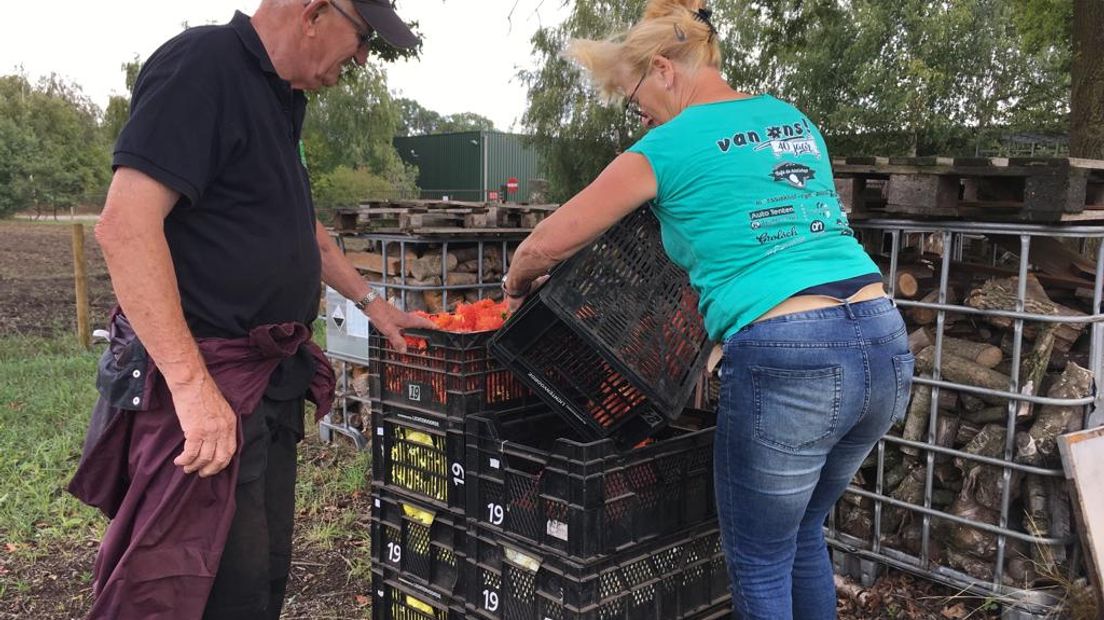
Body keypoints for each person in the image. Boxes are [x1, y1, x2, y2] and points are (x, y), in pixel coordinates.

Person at [502, 1, 915, 618]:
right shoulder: (789, 118)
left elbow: (548, 243)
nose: (636, 111)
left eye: (633, 93)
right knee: (802, 535)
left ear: (665, 70)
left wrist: (513, 283)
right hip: (883, 341)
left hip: (789, 353)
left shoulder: (664, 147)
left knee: (758, 560)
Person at [67, 1, 433, 618]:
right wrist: (190, 388)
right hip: (210, 384)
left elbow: (299, 228)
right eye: (363, 35)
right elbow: (124, 227)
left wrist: (375, 305)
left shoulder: (279, 99)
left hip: (267, 385)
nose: (364, 55)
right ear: (315, 11)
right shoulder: (203, 67)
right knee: (195, 587)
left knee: (260, 578)